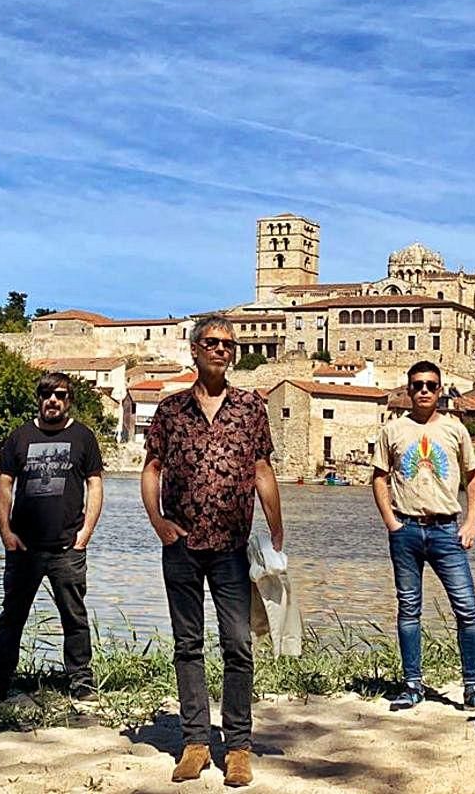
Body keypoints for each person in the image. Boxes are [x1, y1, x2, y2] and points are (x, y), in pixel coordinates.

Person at [141, 315, 284, 788]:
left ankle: (238, 746)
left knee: (238, 643)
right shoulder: (169, 410)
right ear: (195, 349)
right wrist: (158, 523)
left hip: (231, 547)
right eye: (213, 342)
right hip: (180, 544)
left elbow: (262, 469)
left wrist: (276, 528)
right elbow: (152, 469)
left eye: (229, 344)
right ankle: (196, 742)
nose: (222, 350)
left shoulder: (250, 408)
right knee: (187, 645)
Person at [371, 360, 475, 711]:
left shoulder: (456, 429)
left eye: (430, 385)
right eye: (417, 385)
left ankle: (473, 686)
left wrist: (472, 521)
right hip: (406, 529)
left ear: (440, 390)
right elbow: (379, 477)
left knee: (467, 609)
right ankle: (412, 685)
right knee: (409, 609)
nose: (424, 390)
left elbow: (473, 476)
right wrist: (390, 522)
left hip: (446, 531)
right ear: (408, 390)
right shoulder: (393, 430)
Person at [0, 371, 105, 703]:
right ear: (38, 398)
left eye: (61, 395)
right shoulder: (20, 437)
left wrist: (86, 533)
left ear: (69, 400)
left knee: (74, 616)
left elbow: (95, 486)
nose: (54, 400)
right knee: (12, 616)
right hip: (24, 547)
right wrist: (6, 533)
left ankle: (81, 681)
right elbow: (5, 486)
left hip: (68, 546)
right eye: (47, 394)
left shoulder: (83, 437)